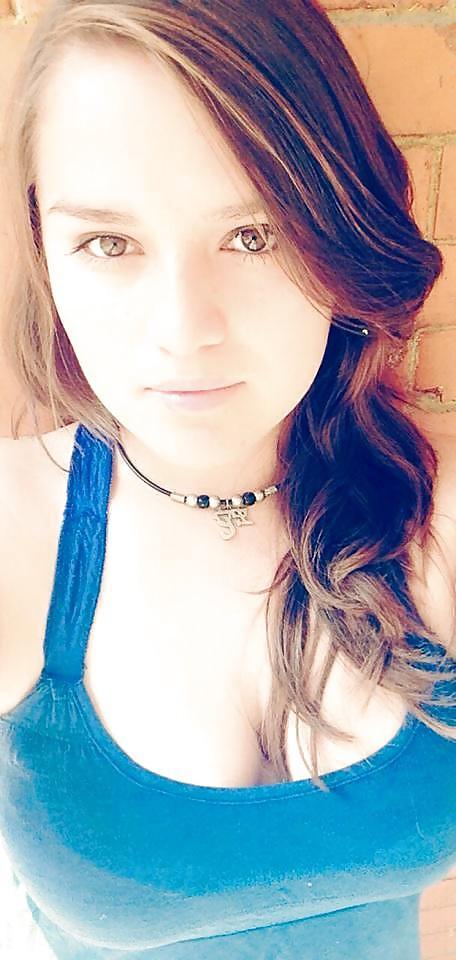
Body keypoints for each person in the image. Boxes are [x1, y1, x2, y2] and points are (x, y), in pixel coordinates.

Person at [0, 0, 455, 957]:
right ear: (46, 252)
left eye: (255, 235)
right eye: (108, 243)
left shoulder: (431, 506)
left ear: (338, 233)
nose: (183, 332)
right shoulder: (18, 534)